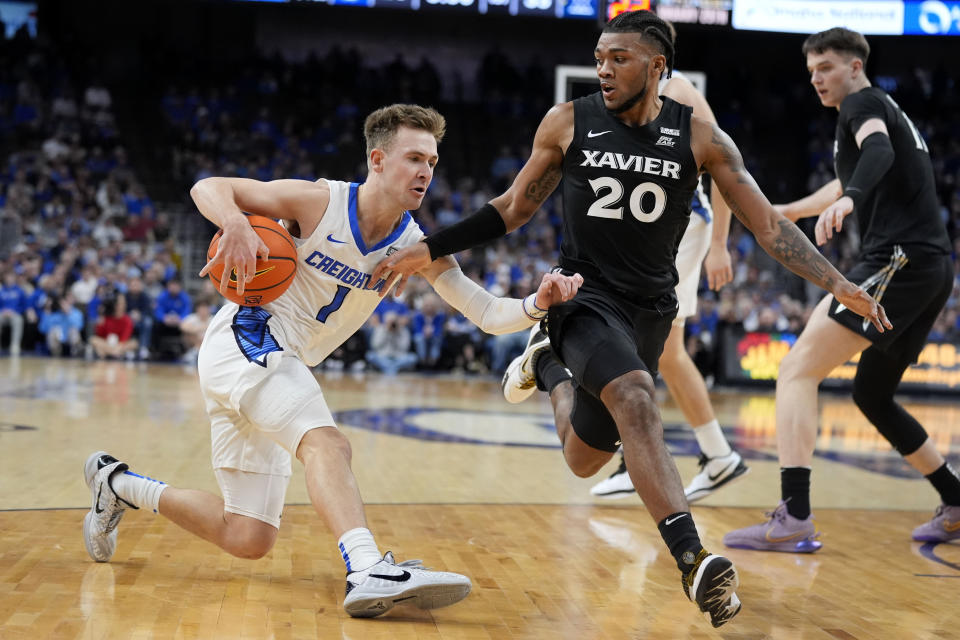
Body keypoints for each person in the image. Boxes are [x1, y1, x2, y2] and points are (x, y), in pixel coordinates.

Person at [373, 11, 889, 628]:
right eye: (599, 56)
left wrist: (839, 283)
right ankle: (692, 558)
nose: (604, 68)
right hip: (584, 299)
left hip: (649, 310)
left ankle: (546, 365)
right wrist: (429, 247)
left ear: (657, 67)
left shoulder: (702, 139)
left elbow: (770, 226)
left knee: (583, 459)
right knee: (640, 396)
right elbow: (512, 208)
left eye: (619, 57)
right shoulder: (568, 122)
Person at [81, 104, 584, 619]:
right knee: (328, 443)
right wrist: (234, 221)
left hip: (282, 363)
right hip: (248, 339)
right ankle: (366, 566)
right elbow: (208, 185)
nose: (426, 171)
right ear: (378, 160)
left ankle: (115, 484)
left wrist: (537, 303)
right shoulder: (319, 202)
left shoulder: (416, 245)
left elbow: (486, 312)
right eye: (414, 158)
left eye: (432, 161)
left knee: (248, 536)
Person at [723, 27, 960, 552]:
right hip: (930, 265)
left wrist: (851, 199)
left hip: (898, 259)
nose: (817, 79)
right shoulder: (879, 111)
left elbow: (873, 152)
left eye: (826, 67)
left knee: (796, 369)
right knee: (871, 393)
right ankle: (956, 500)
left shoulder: (863, 104)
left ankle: (795, 517)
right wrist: (787, 212)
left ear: (855, 66)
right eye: (811, 72)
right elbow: (850, 174)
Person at [586, 22, 747, 501]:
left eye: (624, 53)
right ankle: (716, 455)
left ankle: (640, 457)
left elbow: (724, 168)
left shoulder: (680, 89)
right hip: (663, 233)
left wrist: (720, 243)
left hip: (685, 228)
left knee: (631, 339)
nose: (611, 65)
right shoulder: (627, 104)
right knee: (666, 354)